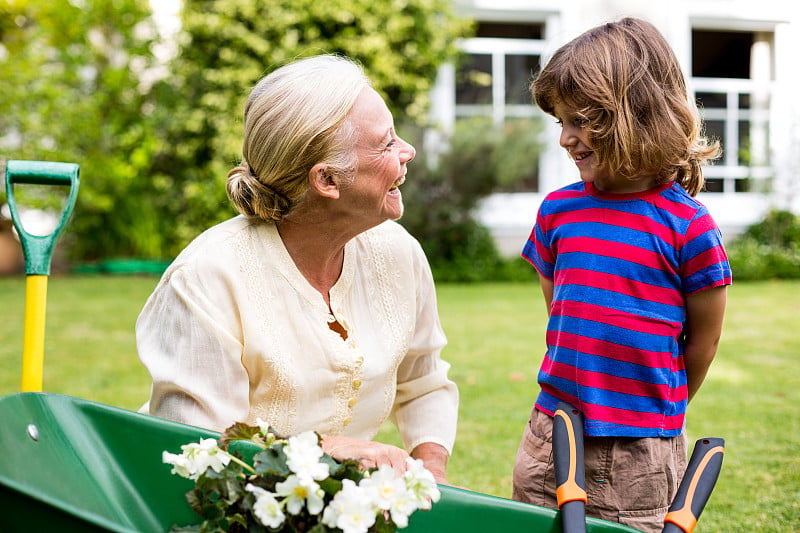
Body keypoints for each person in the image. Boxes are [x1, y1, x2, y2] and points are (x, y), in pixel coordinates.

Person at [136, 54, 458, 484]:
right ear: (326, 180)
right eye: (386, 143)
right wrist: (326, 451)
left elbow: (424, 380)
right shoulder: (206, 279)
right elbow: (200, 450)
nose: (408, 151)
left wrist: (430, 474)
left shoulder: (398, 253)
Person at [511, 17, 732, 532]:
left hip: (640, 450)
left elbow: (703, 342)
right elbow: (563, 312)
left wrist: (652, 412)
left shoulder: (689, 227)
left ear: (636, 115)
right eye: (560, 122)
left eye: (580, 121)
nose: (566, 138)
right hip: (553, 432)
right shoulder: (558, 213)